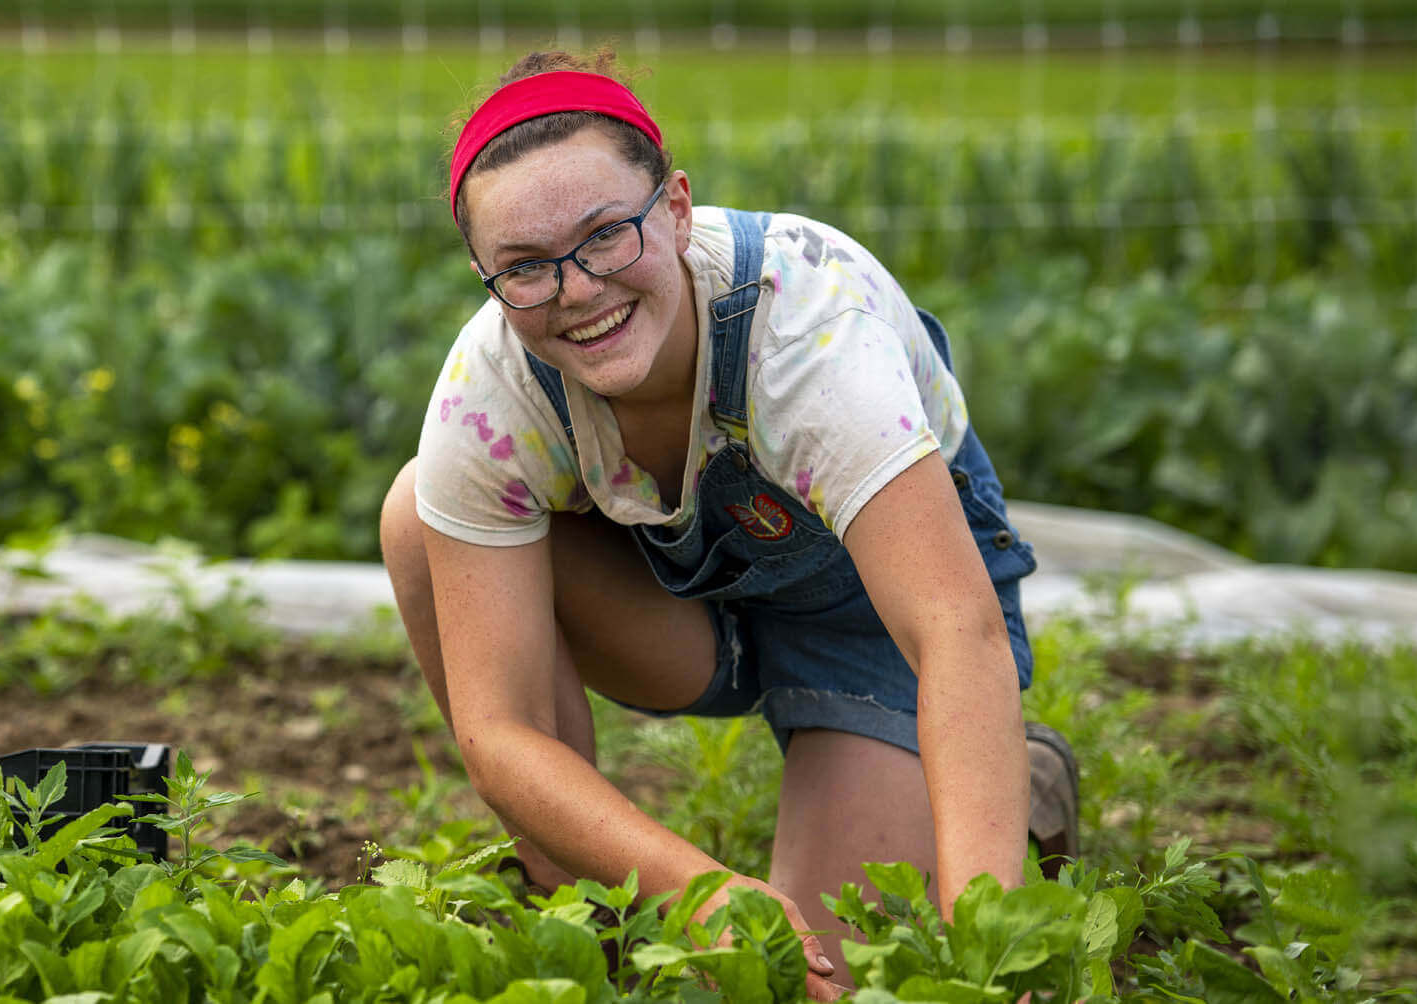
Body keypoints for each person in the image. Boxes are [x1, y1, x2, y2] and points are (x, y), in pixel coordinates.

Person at [377, 49, 1081, 999]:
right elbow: (498, 730)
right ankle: (581, 910)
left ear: (673, 209)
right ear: (485, 275)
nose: (577, 289)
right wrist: (695, 892)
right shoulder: (490, 389)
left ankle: (1017, 792)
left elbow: (953, 630)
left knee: (820, 978)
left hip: (877, 625)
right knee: (418, 515)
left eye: (606, 236)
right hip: (685, 604)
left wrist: (986, 946)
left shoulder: (806, 334)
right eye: (526, 268)